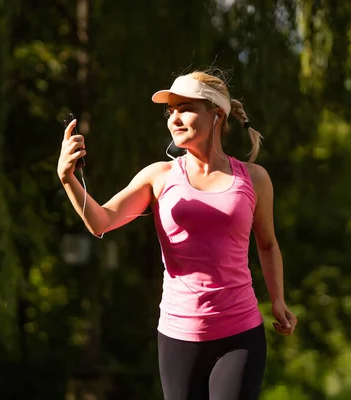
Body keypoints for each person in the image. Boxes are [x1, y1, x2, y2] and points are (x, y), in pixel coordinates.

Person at [57, 69, 297, 400]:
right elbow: (101, 222)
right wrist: (67, 177)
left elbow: (268, 245)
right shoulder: (159, 176)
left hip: (241, 332)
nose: (175, 119)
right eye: (171, 112)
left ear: (216, 114)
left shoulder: (254, 179)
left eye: (185, 108)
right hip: (179, 335)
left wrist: (279, 300)